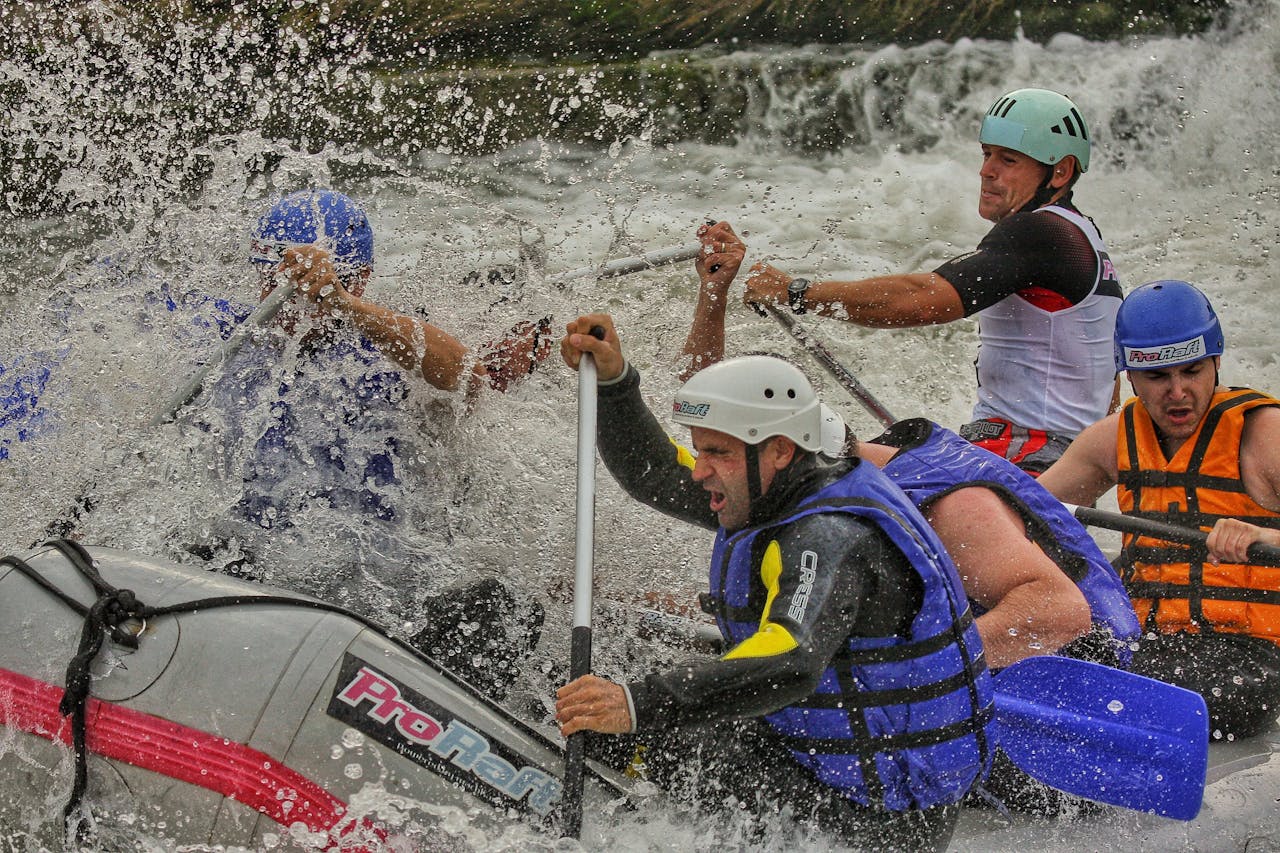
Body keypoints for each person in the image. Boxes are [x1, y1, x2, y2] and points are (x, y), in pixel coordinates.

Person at [557, 316, 995, 850]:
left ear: (781, 450)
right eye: (702, 450)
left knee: (659, 721)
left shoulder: (829, 535)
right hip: (830, 770)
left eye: (716, 453)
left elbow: (791, 658)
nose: (700, 471)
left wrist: (636, 703)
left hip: (872, 823)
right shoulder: (772, 491)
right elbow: (658, 476)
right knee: (655, 705)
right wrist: (615, 383)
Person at [201, 189, 551, 697]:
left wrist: (343, 304)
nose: (291, 300)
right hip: (254, 575)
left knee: (500, 605)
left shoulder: (386, 347)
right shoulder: (225, 341)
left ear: (360, 279)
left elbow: (466, 377)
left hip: (384, 593)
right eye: (274, 282)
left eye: (307, 286)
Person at [690, 88, 1122, 473]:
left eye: (1007, 160)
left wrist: (795, 293)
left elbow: (925, 298)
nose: (986, 171)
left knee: (798, 465)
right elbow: (1109, 389)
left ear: (1060, 173)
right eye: (987, 154)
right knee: (831, 448)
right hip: (1018, 450)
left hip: (1026, 458)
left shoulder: (1041, 232)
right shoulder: (1080, 236)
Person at [1039, 279, 1280, 739]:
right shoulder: (1112, 439)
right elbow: (1026, 512)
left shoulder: (1265, 435)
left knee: (1130, 695)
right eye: (1158, 377)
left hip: (1247, 658)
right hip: (1144, 642)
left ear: (1216, 361)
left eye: (1192, 371)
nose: (1177, 392)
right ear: (1130, 376)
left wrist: (1264, 537)